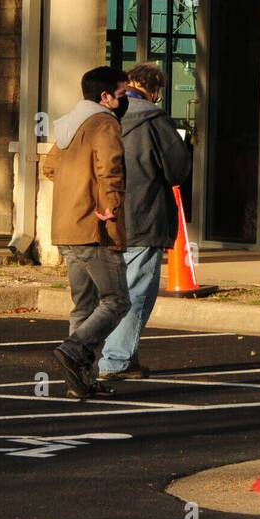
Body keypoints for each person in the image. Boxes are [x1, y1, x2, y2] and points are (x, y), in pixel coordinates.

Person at [97, 62, 192, 381]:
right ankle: (116, 360)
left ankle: (117, 355)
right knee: (136, 291)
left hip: (103, 216)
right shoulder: (154, 118)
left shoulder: (102, 114)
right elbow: (177, 170)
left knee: (109, 291)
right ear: (154, 90)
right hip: (143, 215)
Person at [44, 66, 131, 398]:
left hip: (66, 228)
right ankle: (74, 350)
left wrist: (75, 186)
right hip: (94, 228)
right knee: (116, 300)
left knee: (83, 305)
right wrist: (110, 206)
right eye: (122, 95)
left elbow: (50, 167)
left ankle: (80, 381)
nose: (124, 101)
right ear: (105, 97)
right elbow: (110, 168)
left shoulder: (69, 124)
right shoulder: (104, 123)